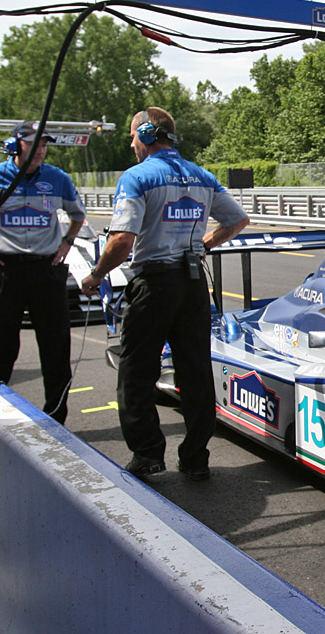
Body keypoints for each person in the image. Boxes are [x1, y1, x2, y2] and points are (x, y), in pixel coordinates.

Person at [79, 107, 249, 481]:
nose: (130, 143)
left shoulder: (137, 177)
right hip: (192, 285)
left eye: (132, 135)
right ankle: (195, 455)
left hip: (154, 285)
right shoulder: (203, 175)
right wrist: (205, 244)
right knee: (196, 372)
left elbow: (122, 240)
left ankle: (148, 454)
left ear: (146, 133)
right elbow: (238, 220)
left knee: (136, 372)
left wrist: (95, 275)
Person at [0, 120, 85, 424]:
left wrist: (67, 241)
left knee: (56, 349)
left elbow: (77, 215)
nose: (40, 150)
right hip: (4, 270)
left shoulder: (58, 179)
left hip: (46, 270)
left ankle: (55, 420)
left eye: (44, 144)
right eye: (33, 143)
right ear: (15, 145)